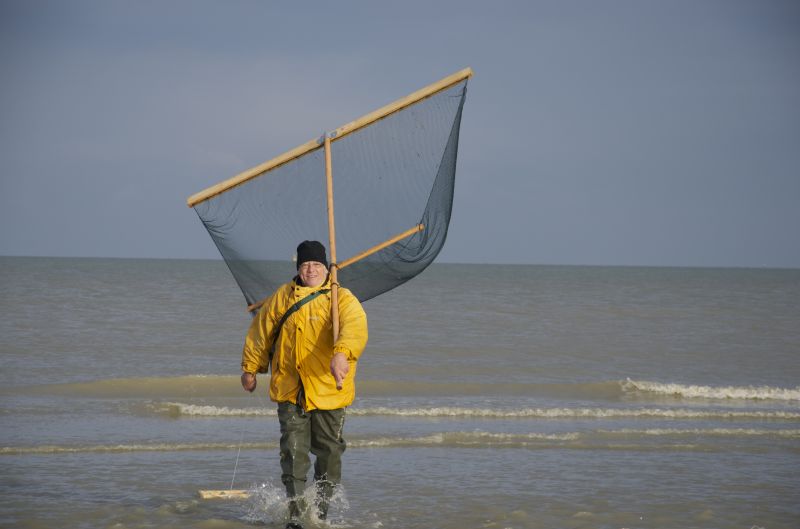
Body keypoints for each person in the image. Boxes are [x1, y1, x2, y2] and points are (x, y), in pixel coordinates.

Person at [240, 240, 368, 528]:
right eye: (305, 264)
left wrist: (341, 354)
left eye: (316, 265)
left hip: (330, 389)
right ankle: (297, 517)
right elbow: (260, 333)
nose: (310, 270)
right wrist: (250, 369)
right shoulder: (283, 296)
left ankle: (321, 514)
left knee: (329, 454)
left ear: (326, 268)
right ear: (298, 267)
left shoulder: (342, 298)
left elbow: (356, 329)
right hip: (290, 389)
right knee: (294, 454)